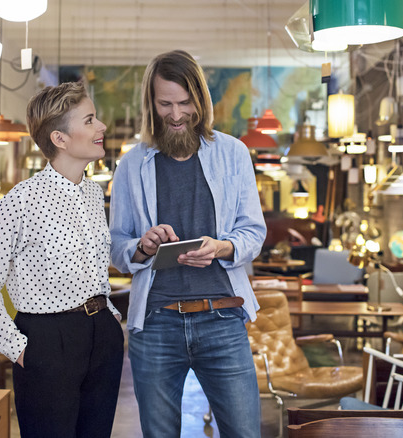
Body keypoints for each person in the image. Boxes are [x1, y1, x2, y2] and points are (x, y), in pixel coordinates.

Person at [109, 50, 266, 437]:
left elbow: (253, 232)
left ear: (200, 100)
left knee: (245, 432)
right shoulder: (131, 165)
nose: (176, 115)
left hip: (223, 319)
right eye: (165, 104)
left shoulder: (233, 154)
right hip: (156, 323)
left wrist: (222, 247)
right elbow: (116, 247)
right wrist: (143, 247)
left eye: (184, 103)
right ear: (151, 103)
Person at [0, 81, 123, 438]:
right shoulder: (21, 200)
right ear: (60, 138)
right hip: (47, 341)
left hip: (102, 335)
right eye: (89, 120)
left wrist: (110, 319)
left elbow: (95, 268)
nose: (101, 127)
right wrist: (15, 347)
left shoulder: (93, 192)